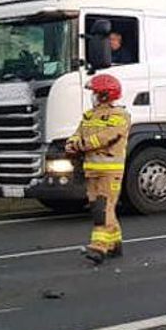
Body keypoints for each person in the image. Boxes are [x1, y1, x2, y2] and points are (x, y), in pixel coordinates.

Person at [65, 75, 131, 264]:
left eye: (95, 92)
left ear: (104, 95)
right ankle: (115, 243)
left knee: (102, 209)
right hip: (91, 170)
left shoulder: (119, 116)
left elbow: (106, 138)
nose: (92, 96)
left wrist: (80, 145)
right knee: (101, 207)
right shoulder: (89, 115)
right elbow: (76, 134)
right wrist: (71, 144)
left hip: (109, 171)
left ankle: (99, 247)